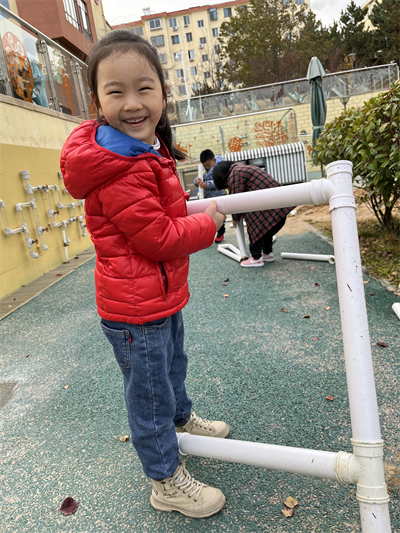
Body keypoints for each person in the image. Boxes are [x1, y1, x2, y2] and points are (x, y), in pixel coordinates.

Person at [60, 30, 229, 519]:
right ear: (97, 103)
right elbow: (158, 237)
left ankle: (182, 419)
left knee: (172, 368)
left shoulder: (144, 149)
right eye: (116, 92)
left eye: (144, 88)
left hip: (155, 296)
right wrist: (210, 223)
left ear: (162, 93)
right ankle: (164, 480)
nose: (132, 104)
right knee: (150, 395)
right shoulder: (119, 166)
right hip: (135, 310)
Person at [213, 161, 293, 268]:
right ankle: (267, 254)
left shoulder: (234, 175)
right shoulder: (243, 169)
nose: (228, 187)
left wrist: (235, 218)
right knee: (265, 230)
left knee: (254, 225)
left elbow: (236, 200)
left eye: (226, 186)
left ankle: (256, 258)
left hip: (270, 209)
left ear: (222, 178)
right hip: (279, 208)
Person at [194, 149, 227, 243]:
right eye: (205, 165)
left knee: (220, 216)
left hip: (219, 197)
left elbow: (220, 182)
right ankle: (208, 234)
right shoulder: (203, 169)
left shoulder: (219, 168)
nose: (207, 167)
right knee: (207, 216)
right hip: (207, 198)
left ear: (214, 160)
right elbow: (197, 178)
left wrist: (207, 185)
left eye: (208, 165)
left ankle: (220, 233)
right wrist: (197, 181)